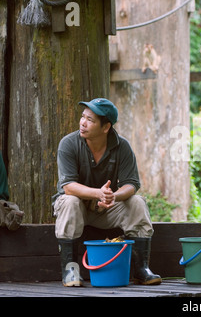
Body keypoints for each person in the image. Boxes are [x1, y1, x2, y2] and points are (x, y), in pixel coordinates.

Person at [52, 98, 161, 287]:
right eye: (82, 117)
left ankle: (141, 269)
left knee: (137, 202)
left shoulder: (122, 146)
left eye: (90, 120)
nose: (83, 123)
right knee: (70, 201)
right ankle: (70, 270)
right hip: (76, 209)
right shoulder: (68, 144)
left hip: (106, 209)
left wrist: (113, 196)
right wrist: (98, 193)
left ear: (105, 127)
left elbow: (132, 184)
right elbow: (68, 186)